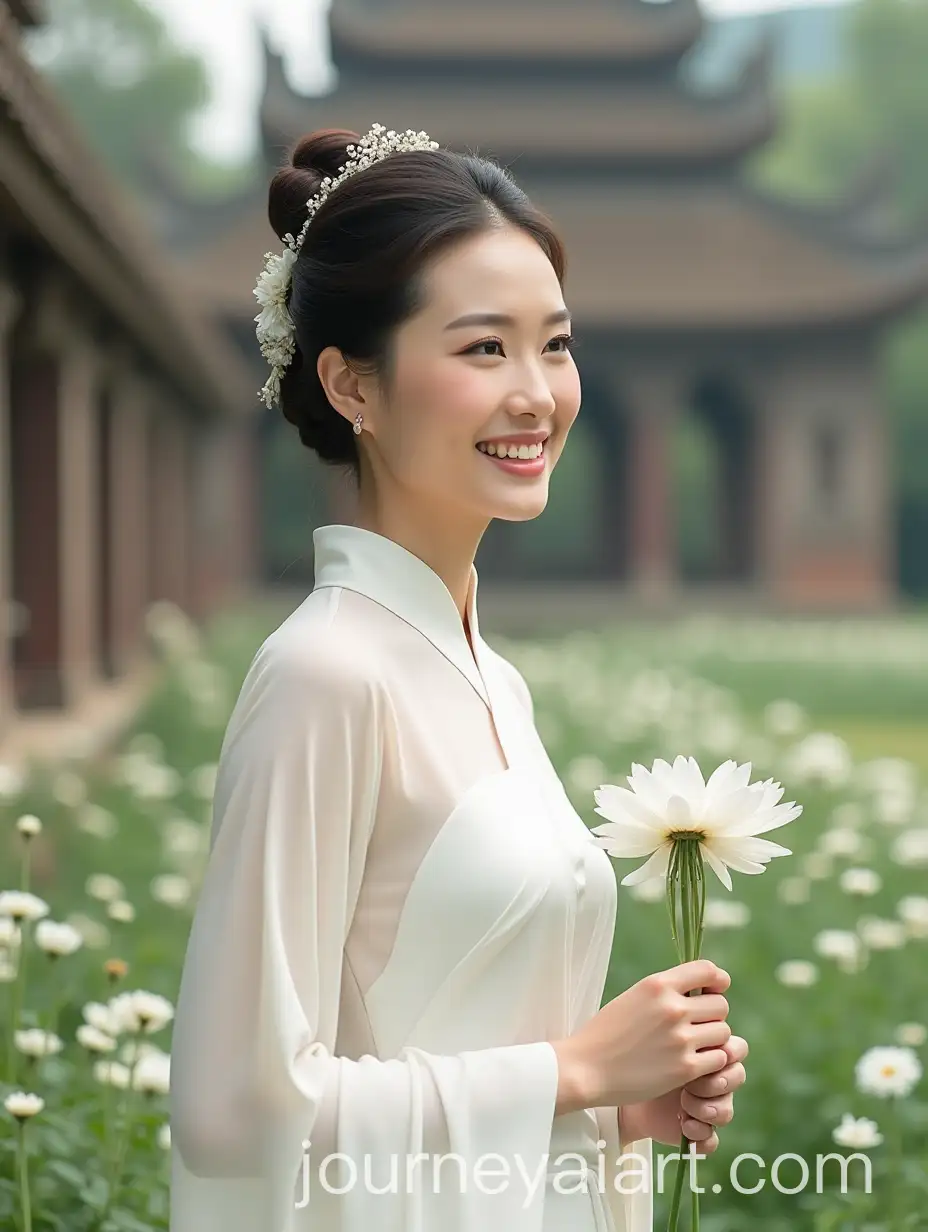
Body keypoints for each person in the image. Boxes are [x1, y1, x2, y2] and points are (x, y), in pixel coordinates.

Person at [168, 124, 748, 1232]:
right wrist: (573, 1069)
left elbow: (477, 1041)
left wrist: (615, 1107)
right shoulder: (324, 676)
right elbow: (234, 1105)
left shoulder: (495, 681)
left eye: (556, 346)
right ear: (352, 384)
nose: (535, 394)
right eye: (483, 349)